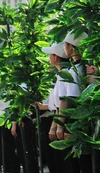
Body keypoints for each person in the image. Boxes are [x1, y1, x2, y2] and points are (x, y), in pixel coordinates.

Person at [56, 31, 92, 173]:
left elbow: (69, 100)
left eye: (66, 44)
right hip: (88, 118)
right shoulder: (87, 67)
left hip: (77, 120)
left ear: (71, 48)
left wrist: (63, 126)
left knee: (80, 162)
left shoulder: (73, 71)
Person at [38, 42, 74, 173]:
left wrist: (56, 127)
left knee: (62, 163)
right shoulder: (61, 74)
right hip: (56, 119)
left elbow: (62, 103)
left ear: (56, 57)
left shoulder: (64, 74)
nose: (49, 58)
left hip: (60, 121)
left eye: (50, 55)